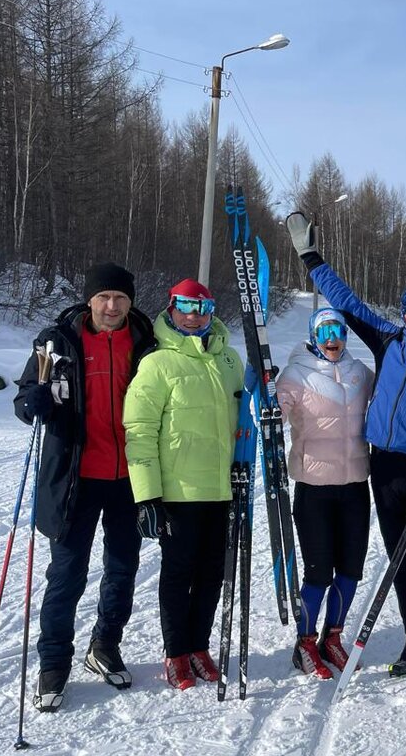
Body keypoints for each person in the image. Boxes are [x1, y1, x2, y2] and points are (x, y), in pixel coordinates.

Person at [288, 214, 406, 694]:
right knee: (400, 560)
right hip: (383, 467)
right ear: (404, 313)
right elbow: (346, 301)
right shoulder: (387, 339)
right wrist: (311, 258)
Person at [14, 263, 154, 712]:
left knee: (122, 568)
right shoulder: (58, 343)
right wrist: (31, 401)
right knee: (66, 575)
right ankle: (53, 664)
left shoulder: (148, 343)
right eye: (103, 298)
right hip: (74, 480)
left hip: (130, 477)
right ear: (89, 300)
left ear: (130, 303)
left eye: (120, 298)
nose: (111, 307)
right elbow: (24, 396)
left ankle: (104, 645)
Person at [124, 279, 243, 691]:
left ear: (211, 311)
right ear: (171, 309)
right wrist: (148, 496)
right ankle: (176, 653)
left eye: (201, 307)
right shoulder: (157, 364)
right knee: (179, 573)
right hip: (178, 492)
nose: (193, 314)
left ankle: (199, 647)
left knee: (213, 573)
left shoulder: (230, 360)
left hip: (221, 490)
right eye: (184, 306)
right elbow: (139, 430)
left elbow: (240, 424)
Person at [277, 308, 373, 679]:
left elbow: (391, 394)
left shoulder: (359, 372)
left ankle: (332, 638)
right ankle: (305, 642)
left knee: (350, 571)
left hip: (354, 486)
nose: (332, 338)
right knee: (318, 572)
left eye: (338, 330)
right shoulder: (296, 374)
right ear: (313, 335)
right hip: (314, 489)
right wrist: (269, 398)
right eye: (325, 331)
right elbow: (275, 413)